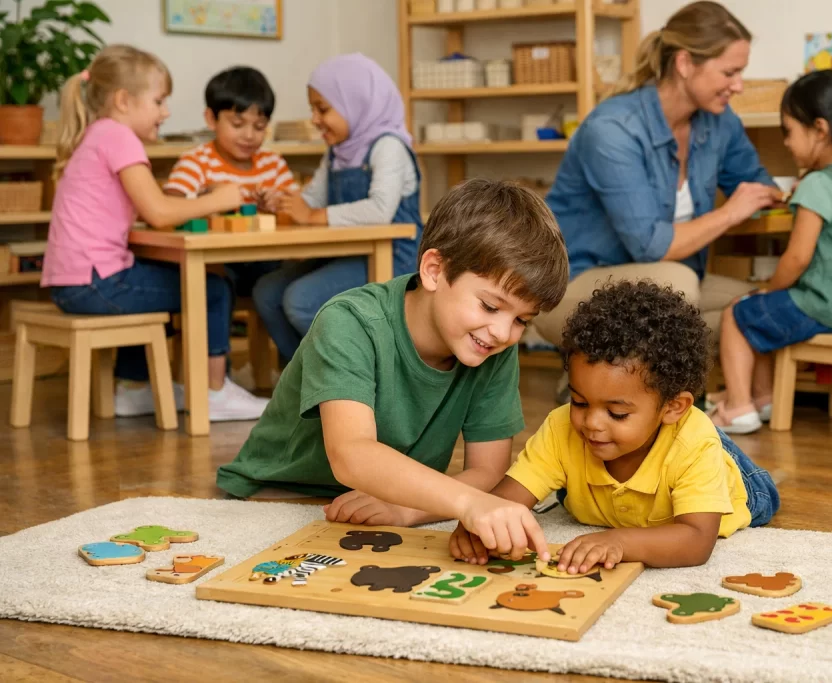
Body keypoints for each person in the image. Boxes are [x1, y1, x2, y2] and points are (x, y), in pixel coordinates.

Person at [217, 179, 569, 560]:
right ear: (434, 270)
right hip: (281, 497)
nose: (504, 332)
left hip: (388, 502)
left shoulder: (493, 345)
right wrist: (467, 503)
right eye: (489, 306)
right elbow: (352, 454)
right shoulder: (349, 320)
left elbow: (487, 470)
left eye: (522, 320)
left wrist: (408, 509)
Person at [532, 1, 780, 399]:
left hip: (665, 284)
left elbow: (754, 181)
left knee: (757, 306)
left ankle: (595, 379)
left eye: (741, 73)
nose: (739, 86)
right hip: (572, 285)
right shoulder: (613, 130)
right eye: (730, 72)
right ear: (684, 64)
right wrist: (732, 212)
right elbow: (650, 245)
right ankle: (612, 387)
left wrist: (793, 190)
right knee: (677, 284)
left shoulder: (719, 120)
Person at [450, 280, 779, 572]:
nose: (591, 423)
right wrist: (481, 521)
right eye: (579, 402)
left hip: (740, 487)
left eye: (617, 413)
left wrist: (620, 542)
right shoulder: (562, 428)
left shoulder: (693, 442)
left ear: (672, 407)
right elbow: (507, 498)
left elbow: (696, 541)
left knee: (732, 466)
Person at [42, 45, 270, 422]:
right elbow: (160, 213)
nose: (165, 112)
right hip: (97, 281)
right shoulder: (119, 138)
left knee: (158, 280)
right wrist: (220, 199)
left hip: (76, 282)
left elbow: (151, 204)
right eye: (159, 101)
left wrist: (196, 200)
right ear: (123, 100)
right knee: (212, 285)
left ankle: (135, 388)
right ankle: (215, 393)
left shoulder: (97, 134)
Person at [709, 69, 832, 434]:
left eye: (788, 131)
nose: (785, 142)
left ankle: (738, 408)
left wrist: (769, 286)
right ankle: (763, 400)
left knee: (740, 313)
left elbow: (797, 258)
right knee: (760, 315)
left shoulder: (818, 183)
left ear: (819, 129)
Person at [252, 53, 424, 362]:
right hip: (348, 251)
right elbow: (313, 199)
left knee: (300, 301)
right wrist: (284, 202)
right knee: (267, 292)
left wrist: (312, 215)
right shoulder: (337, 151)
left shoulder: (388, 146)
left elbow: (380, 210)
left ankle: (359, 373)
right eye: (313, 110)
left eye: (323, 109)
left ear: (355, 102)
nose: (315, 119)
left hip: (394, 256)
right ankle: (307, 381)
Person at [164, 66, 299, 298]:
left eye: (259, 126)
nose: (249, 135)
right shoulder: (197, 161)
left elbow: (300, 208)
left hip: (265, 262)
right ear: (210, 118)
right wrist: (207, 199)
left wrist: (280, 205)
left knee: (288, 278)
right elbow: (168, 205)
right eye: (237, 124)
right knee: (215, 282)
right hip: (218, 263)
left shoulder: (272, 163)